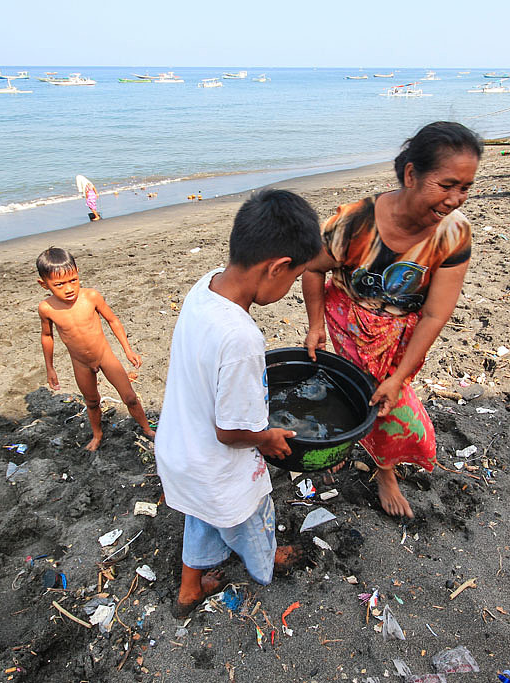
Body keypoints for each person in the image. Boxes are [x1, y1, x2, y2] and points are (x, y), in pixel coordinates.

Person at [155, 189, 322, 617]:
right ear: (278, 268)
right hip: (218, 464)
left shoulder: (206, 285)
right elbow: (230, 432)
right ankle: (265, 565)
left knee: (201, 516)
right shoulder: (243, 338)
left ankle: (190, 588)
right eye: (293, 278)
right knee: (253, 518)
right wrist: (266, 437)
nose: (288, 289)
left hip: (182, 453)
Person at [302, 121, 482, 519]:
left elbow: (435, 312)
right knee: (376, 400)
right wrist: (316, 325)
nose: (455, 200)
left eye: (465, 188)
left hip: (404, 332)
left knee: (385, 393)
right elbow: (312, 270)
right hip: (348, 320)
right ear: (411, 174)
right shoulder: (355, 222)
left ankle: (367, 456)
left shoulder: (454, 235)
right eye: (447, 184)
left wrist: (400, 375)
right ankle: (383, 469)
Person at [36, 247, 154, 451]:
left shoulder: (91, 297)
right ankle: (97, 435)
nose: (69, 288)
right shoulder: (47, 308)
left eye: (73, 280)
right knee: (92, 402)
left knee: (130, 397)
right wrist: (50, 368)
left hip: (104, 356)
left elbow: (113, 320)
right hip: (80, 363)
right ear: (44, 284)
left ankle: (147, 429)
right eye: (59, 285)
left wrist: (127, 350)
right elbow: (47, 336)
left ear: (78, 272)